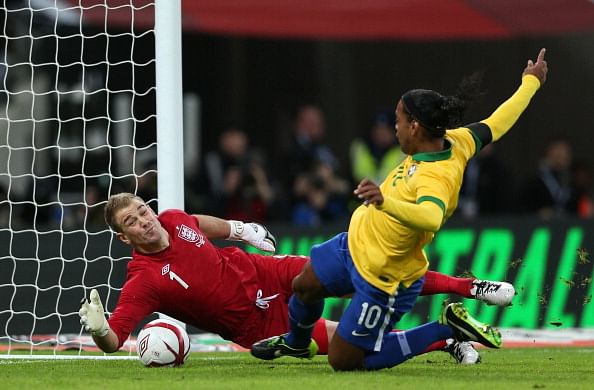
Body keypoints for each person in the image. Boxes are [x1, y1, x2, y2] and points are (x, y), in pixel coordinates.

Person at [251, 49, 548, 371]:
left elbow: (431, 217)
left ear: (415, 127)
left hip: (385, 276)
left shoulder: (437, 177)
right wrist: (530, 83)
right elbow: (496, 123)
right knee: (305, 285)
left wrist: (384, 200)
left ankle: (444, 330)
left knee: (344, 360)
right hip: (355, 245)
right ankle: (296, 343)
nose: (395, 127)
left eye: (399, 120)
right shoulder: (457, 141)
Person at [79, 193, 514, 364]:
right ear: (123, 237)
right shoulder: (143, 280)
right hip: (258, 325)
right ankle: (445, 335)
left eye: (142, 210)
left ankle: (473, 288)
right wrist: (100, 331)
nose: (145, 221)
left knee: (366, 269)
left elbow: (198, 222)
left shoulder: (172, 219)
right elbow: (116, 339)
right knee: (354, 352)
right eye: (133, 222)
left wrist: (240, 229)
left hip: (267, 271)